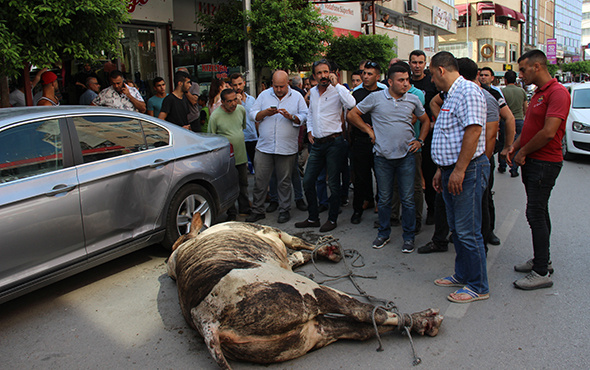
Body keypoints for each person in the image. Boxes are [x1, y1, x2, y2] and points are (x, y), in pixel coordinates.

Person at [348, 63, 429, 252]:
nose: (406, 84)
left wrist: (420, 141)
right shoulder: (375, 98)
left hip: (407, 156)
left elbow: (425, 121)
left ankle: (408, 237)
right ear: (390, 81)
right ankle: (383, 234)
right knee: (384, 199)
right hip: (383, 157)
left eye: (407, 80)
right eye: (401, 80)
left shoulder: (413, 100)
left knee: (407, 199)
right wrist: (368, 130)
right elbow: (353, 115)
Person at [429, 51, 490, 304]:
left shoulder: (468, 91)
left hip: (468, 170)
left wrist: (460, 169)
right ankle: (462, 274)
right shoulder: (452, 94)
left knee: (468, 231)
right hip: (451, 170)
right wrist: (442, 169)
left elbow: (473, 131)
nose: (431, 80)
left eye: (432, 74)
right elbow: (448, 135)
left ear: (441, 70)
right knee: (457, 229)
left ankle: (478, 285)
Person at [508, 49, 570, 290]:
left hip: (544, 162)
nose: (520, 74)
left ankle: (541, 271)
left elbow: (548, 132)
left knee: (534, 213)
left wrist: (523, 152)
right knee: (539, 212)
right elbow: (532, 128)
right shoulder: (537, 93)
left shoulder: (557, 93)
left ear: (537, 67)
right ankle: (543, 259)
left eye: (523, 69)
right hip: (534, 161)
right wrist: (515, 146)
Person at [295, 59, 355, 233]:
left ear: (331, 73)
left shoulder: (338, 90)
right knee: (307, 181)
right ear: (314, 76)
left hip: (335, 143)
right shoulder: (312, 92)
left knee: (334, 184)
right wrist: (310, 131)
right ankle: (313, 217)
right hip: (318, 144)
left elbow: (351, 104)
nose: (323, 76)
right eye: (319, 73)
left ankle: (332, 219)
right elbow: (311, 113)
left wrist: (337, 86)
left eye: (326, 72)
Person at [246, 71, 308, 224]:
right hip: (264, 147)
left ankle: (284, 210)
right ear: (271, 83)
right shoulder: (264, 95)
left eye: (282, 86)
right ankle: (258, 210)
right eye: (276, 86)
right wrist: (265, 113)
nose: (279, 89)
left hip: (287, 148)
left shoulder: (297, 97)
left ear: (288, 83)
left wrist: (292, 117)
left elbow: (305, 115)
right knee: (260, 180)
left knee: (284, 181)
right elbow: (252, 114)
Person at [348, 61, 383, 225]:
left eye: (370, 74)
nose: (365, 76)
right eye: (364, 73)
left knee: (381, 176)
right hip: (360, 141)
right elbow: (350, 117)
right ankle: (357, 210)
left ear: (377, 76)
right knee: (360, 178)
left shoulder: (384, 92)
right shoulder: (356, 93)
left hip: (379, 142)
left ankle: (380, 207)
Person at [208, 89, 251, 221]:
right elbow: (211, 138)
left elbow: (242, 127)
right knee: (229, 185)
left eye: (235, 100)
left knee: (243, 183)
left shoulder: (241, 110)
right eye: (229, 101)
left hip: (241, 155)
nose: (233, 104)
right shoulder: (215, 116)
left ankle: (245, 208)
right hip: (226, 158)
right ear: (223, 102)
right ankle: (231, 212)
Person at [409, 50, 438, 226]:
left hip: (429, 135)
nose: (417, 66)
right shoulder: (405, 82)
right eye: (414, 62)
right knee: (410, 178)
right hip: (408, 136)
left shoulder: (431, 83)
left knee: (429, 172)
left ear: (425, 64)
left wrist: (435, 123)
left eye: (420, 62)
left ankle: (432, 210)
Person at [499, 70, 528, 177]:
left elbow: (499, 108)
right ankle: (514, 168)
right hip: (519, 120)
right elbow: (525, 108)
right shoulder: (521, 91)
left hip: (505, 121)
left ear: (505, 80)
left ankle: (502, 165)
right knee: (516, 145)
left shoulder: (502, 91)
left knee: (504, 143)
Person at [230, 73, 257, 166]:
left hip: (253, 137)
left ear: (244, 83)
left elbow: (256, 119)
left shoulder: (252, 99)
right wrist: (237, 103)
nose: (238, 87)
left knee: (257, 165)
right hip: (240, 139)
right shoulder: (231, 102)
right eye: (235, 85)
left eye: (240, 84)